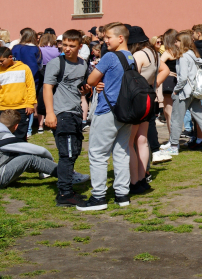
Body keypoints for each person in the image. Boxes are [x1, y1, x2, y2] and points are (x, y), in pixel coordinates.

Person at [79, 22, 138, 211]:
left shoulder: (110, 57)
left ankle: (98, 197)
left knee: (97, 153)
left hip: (108, 109)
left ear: (120, 38)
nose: (105, 41)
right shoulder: (131, 58)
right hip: (125, 111)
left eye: (108, 38)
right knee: (121, 153)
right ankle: (122, 194)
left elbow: (90, 80)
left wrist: (98, 82)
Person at [42, 30, 91, 206]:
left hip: (76, 113)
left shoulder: (83, 64)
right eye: (65, 45)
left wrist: (86, 90)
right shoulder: (56, 63)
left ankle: (68, 188)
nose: (67, 49)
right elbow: (47, 88)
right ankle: (64, 194)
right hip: (62, 114)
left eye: (72, 46)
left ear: (80, 46)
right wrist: (50, 113)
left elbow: (83, 87)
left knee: (74, 151)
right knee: (67, 154)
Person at [0, 109, 65, 194]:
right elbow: (41, 151)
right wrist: (50, 158)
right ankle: (68, 175)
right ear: (16, 126)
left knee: (19, 156)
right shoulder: (6, 139)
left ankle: (51, 171)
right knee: (30, 159)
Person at [127, 26, 168, 188]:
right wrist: (153, 84)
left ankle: (135, 177)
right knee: (143, 140)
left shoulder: (138, 55)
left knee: (131, 141)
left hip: (137, 99)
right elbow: (164, 70)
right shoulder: (153, 53)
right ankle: (144, 174)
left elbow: (132, 77)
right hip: (148, 97)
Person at [171, 30, 202, 153]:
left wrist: (176, 90)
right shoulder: (193, 55)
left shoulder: (183, 57)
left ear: (182, 42)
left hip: (185, 91)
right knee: (201, 117)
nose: (175, 43)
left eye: (177, 41)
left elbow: (182, 78)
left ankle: (173, 146)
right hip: (195, 91)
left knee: (177, 118)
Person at [0, 46, 37, 140]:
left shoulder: (24, 68)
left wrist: (30, 104)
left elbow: (30, 87)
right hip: (5, 108)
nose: (0, 63)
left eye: (2, 61)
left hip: (22, 108)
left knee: (21, 136)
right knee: (5, 136)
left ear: (10, 57)